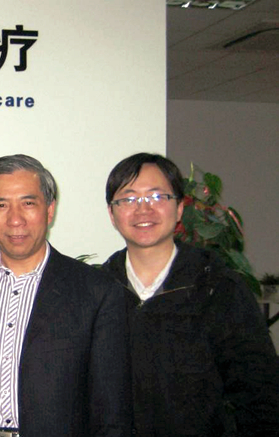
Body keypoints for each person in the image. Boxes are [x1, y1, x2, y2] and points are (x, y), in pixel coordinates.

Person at [0, 155, 131, 437]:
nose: (15, 219)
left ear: (50, 210)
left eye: (28, 203)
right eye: (1, 205)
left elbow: (111, 409)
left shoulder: (96, 292)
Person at [101, 153, 279, 436]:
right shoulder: (97, 291)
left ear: (180, 208)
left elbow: (260, 395)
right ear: (112, 214)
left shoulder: (219, 288)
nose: (143, 209)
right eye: (129, 199)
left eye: (157, 197)